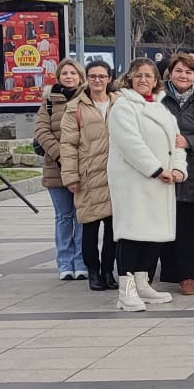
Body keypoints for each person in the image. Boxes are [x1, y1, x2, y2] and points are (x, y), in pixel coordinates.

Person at [106, 58, 186, 311]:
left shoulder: (162, 108)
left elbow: (178, 142)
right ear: (129, 78)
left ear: (156, 80)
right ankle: (126, 291)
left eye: (149, 76)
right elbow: (130, 144)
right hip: (135, 183)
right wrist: (156, 169)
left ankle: (142, 284)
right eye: (138, 75)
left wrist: (178, 168)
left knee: (153, 237)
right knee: (131, 235)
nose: (144, 80)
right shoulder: (123, 107)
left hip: (161, 183)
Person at [157, 54, 194, 295]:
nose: (184, 76)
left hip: (192, 170)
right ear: (170, 72)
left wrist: (189, 141)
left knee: (188, 226)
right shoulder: (159, 99)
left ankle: (187, 274)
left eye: (189, 72)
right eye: (179, 71)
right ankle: (168, 270)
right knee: (163, 223)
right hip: (162, 168)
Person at [62, 60, 118, 290]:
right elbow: (67, 144)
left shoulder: (119, 103)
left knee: (114, 229)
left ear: (109, 78)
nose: (97, 80)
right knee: (90, 226)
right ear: (87, 78)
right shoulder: (75, 107)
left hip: (116, 175)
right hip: (89, 174)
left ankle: (108, 271)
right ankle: (93, 271)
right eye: (93, 76)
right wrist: (71, 176)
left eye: (102, 76)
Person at [34, 59, 88, 280]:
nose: (68, 76)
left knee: (82, 217)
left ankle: (81, 261)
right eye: (64, 73)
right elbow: (42, 132)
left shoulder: (87, 101)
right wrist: (62, 155)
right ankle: (65, 263)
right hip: (56, 168)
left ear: (80, 77)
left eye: (72, 73)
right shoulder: (48, 103)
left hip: (83, 167)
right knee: (64, 216)